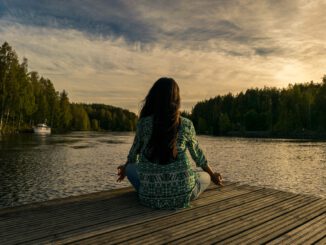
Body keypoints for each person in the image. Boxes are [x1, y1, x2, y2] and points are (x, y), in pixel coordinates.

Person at [117, 77, 223, 209]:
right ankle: (193, 180)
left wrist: (125, 168)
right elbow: (199, 157)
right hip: (182, 195)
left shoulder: (143, 123)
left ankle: (152, 189)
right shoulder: (186, 124)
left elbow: (133, 155)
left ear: (153, 98)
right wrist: (213, 176)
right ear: (176, 100)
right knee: (204, 175)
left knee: (130, 168)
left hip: (149, 198)